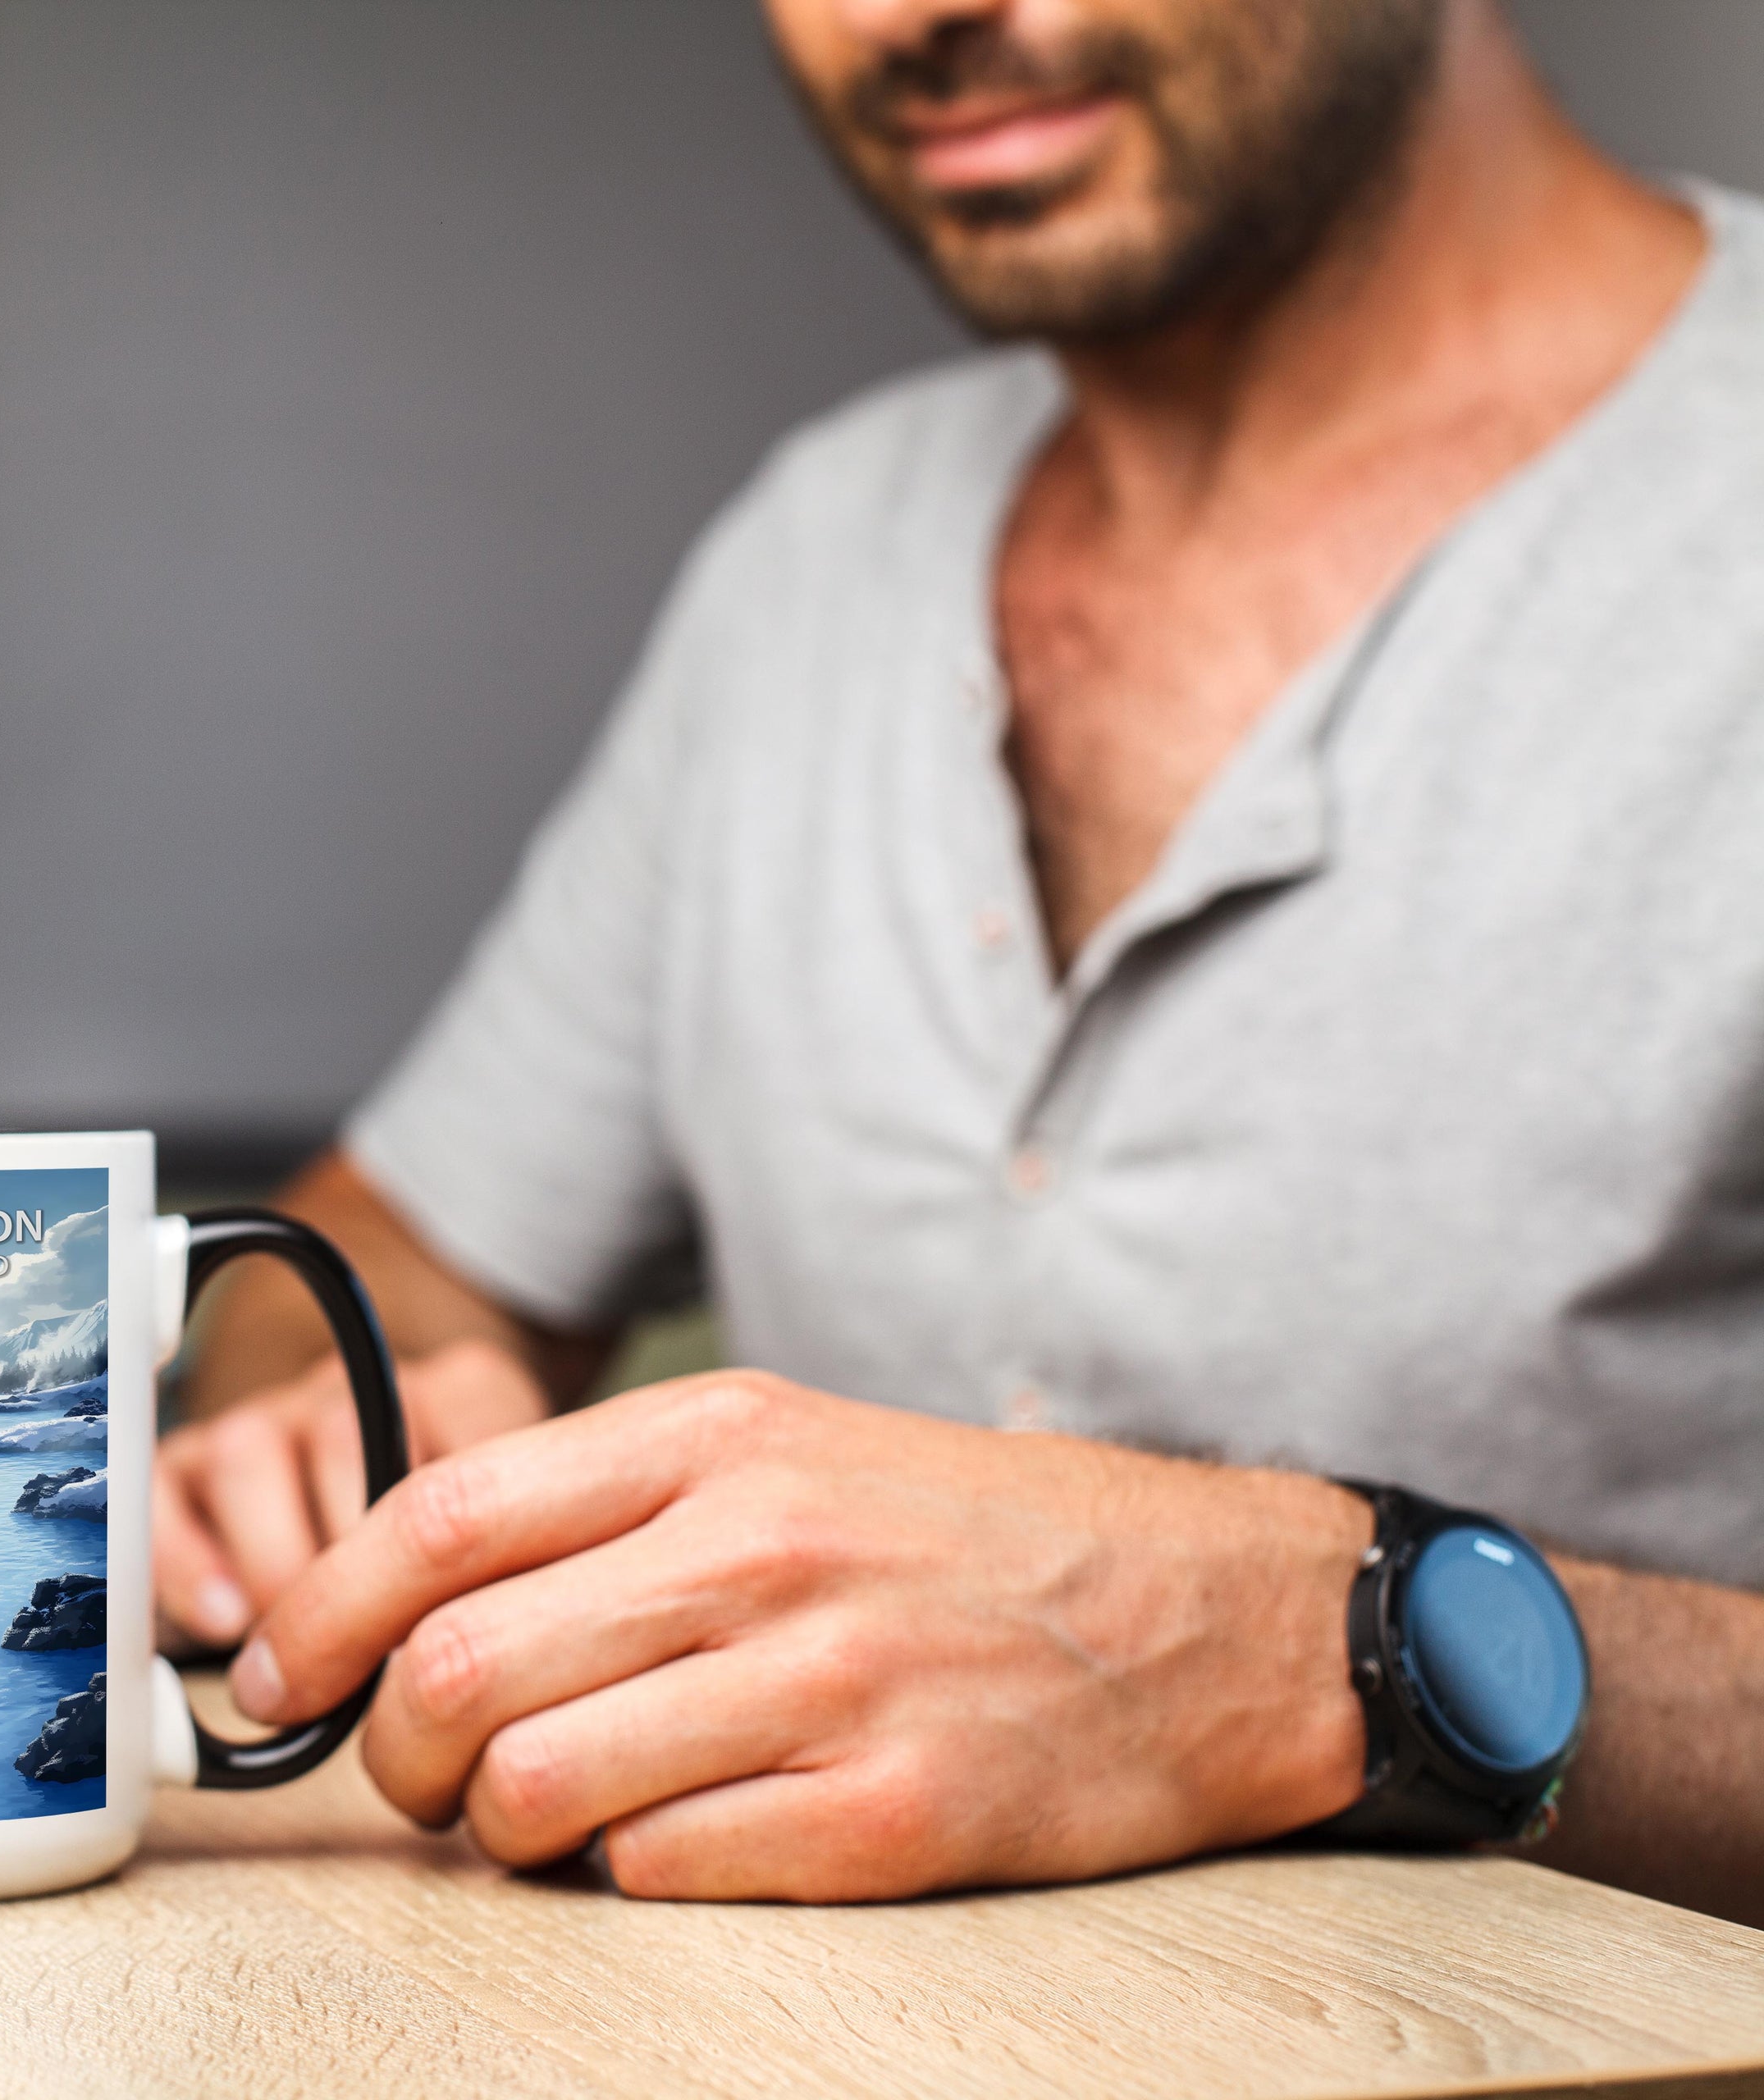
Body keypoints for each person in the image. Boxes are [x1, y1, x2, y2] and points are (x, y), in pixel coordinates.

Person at [152, 0, 1764, 1924]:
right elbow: (391, 1256)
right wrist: (335, 1426)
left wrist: (1309, 1646)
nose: (911, 14)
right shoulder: (813, 559)